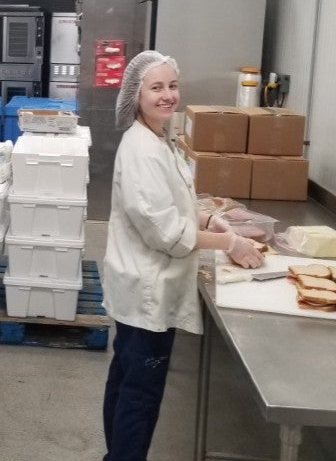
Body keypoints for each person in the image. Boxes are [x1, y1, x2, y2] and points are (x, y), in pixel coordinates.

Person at [101, 51, 263, 461]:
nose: (168, 95)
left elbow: (175, 205)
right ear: (135, 95)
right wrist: (231, 244)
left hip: (144, 283)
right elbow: (163, 231)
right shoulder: (141, 149)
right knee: (140, 391)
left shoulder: (160, 138)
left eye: (172, 85)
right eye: (156, 87)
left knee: (126, 378)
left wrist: (210, 220)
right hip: (148, 288)